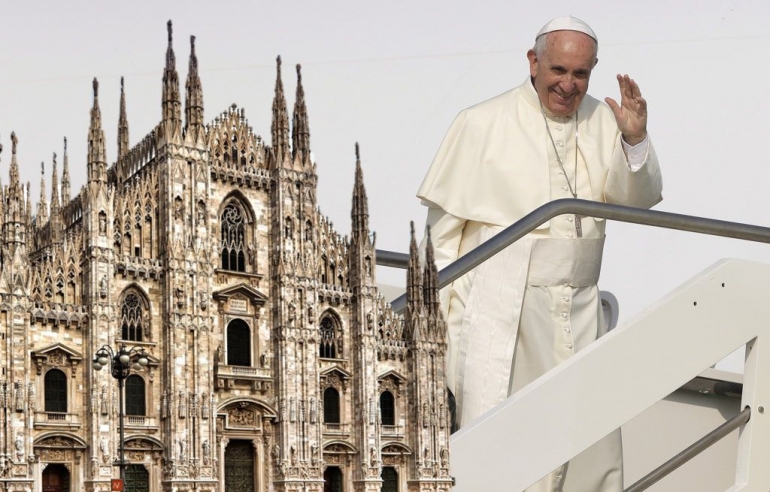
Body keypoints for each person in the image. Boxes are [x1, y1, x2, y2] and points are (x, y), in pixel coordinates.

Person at [416, 16, 663, 492]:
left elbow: (637, 199)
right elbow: (441, 244)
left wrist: (634, 138)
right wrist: (437, 328)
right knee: (511, 446)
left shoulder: (604, 119)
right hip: (502, 310)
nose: (568, 86)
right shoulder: (480, 121)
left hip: (582, 307)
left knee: (591, 446)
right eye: (558, 70)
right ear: (533, 62)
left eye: (580, 74)